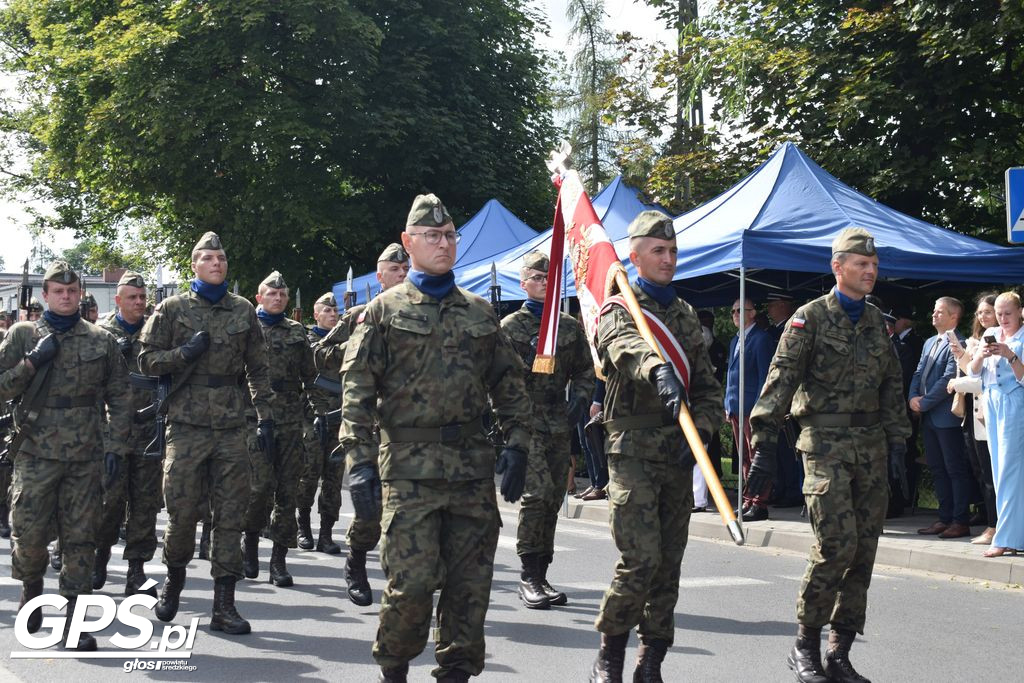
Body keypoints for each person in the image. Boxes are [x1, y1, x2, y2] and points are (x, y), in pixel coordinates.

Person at [339, 194, 531, 682]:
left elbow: (509, 384)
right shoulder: (383, 310)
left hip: (470, 472)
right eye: (432, 236)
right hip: (408, 472)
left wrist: (517, 443)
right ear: (409, 243)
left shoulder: (481, 313)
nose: (443, 244)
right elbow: (357, 391)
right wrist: (359, 463)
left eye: (449, 236)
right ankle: (395, 670)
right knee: (411, 586)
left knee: (471, 589)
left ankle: (456, 674)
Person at [748, 228, 910, 683]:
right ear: (838, 267)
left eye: (874, 265)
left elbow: (891, 385)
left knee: (864, 551)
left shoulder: (878, 321)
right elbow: (780, 379)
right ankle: (805, 645)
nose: (871, 271)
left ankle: (839, 652)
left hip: (872, 446)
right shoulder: (809, 318)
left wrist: (898, 440)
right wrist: (762, 443)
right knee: (835, 546)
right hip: (823, 445)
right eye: (862, 264)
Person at [590, 211, 722, 682]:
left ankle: (652, 660)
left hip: (677, 452)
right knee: (640, 560)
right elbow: (625, 347)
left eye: (672, 251)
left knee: (668, 564)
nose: (668, 259)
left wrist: (702, 432)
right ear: (635, 256)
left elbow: (707, 389)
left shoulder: (686, 315)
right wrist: (657, 368)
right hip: (633, 452)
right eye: (657, 251)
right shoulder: (619, 308)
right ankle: (610, 655)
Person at [138, 231, 273, 635]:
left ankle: (224, 606)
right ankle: (173, 583)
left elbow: (257, 368)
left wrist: (264, 417)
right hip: (187, 426)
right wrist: (184, 354)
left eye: (221, 258)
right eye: (209, 258)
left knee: (231, 515)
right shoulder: (171, 308)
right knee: (181, 513)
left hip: (232, 427)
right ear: (195, 264)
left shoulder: (244, 310)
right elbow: (146, 360)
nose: (217, 264)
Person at [0, 260, 130, 651]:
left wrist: (115, 446)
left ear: (81, 295)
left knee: (80, 539)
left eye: (72, 291)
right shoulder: (23, 335)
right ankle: (32, 590)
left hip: (85, 455)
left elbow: (120, 397)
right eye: (58, 291)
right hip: (35, 452)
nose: (66, 296)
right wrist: (31, 362)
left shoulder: (100, 339)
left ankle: (74, 620)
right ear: (45, 295)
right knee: (30, 535)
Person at [501, 250, 594, 610]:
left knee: (554, 498)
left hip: (559, 421)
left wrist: (581, 399)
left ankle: (541, 572)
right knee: (536, 496)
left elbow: (586, 370)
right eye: (536, 278)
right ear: (523, 283)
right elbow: (499, 379)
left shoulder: (568, 326)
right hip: (525, 422)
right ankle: (527, 575)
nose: (543, 284)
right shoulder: (511, 327)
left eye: (549, 278)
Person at [317, 242, 409, 606]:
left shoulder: (421, 312)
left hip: (406, 428)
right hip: (368, 426)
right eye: (394, 269)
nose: (401, 274)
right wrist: (356, 349)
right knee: (370, 510)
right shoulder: (360, 314)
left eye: (405, 269)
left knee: (405, 510)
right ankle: (356, 560)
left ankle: (403, 584)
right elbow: (319, 354)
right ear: (380, 272)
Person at [241, 271, 323, 587]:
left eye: (282, 295)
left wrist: (316, 414)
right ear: (259, 298)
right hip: (255, 418)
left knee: (287, 491)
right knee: (259, 488)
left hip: (290, 419)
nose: (277, 299)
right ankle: (249, 544)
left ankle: (278, 561)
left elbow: (311, 376)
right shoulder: (247, 330)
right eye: (271, 294)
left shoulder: (297, 332)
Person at [93, 271, 163, 596]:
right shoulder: (101, 333)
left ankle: (137, 570)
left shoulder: (158, 330)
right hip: (114, 430)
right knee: (109, 500)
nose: (138, 302)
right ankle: (99, 558)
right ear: (118, 300)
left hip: (149, 428)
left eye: (142, 297)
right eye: (132, 297)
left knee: (145, 503)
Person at [968, 291, 1024, 558]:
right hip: (991, 402)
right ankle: (1012, 536)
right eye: (999, 314)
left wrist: (1009, 354)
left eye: (1008, 314)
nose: (1003, 319)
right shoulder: (991, 332)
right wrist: (982, 352)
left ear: (1020, 312)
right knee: (998, 467)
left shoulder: (1023, 336)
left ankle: (1004, 537)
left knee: (1010, 472)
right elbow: (974, 371)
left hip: (1014, 403)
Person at [911, 297, 972, 539]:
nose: (933, 315)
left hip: (947, 417)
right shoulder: (928, 343)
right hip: (929, 418)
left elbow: (948, 378)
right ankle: (944, 517)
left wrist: (923, 403)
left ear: (954, 316)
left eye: (940, 312)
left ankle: (960, 520)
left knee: (954, 469)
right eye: (934, 311)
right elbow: (918, 372)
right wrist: (912, 397)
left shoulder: (959, 342)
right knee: (937, 468)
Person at [948, 292, 998, 545]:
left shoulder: (1002, 341)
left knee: (992, 475)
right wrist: (961, 354)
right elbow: (972, 371)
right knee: (980, 472)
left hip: (991, 416)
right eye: (979, 313)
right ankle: (990, 521)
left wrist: (957, 383)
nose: (983, 316)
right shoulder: (975, 340)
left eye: (987, 312)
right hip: (971, 415)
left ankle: (995, 526)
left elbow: (986, 383)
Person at [296, 291, 341, 553]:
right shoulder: (307, 339)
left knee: (333, 478)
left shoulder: (345, 340)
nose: (333, 314)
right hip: (311, 417)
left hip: (339, 417)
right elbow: (317, 356)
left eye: (335, 311)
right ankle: (303, 526)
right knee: (309, 474)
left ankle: (326, 532)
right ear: (316, 314)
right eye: (327, 310)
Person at [725, 297, 775, 522]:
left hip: (752, 408)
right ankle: (748, 498)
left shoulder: (761, 339)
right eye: (733, 311)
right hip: (736, 407)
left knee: (757, 457)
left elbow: (765, 376)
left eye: (740, 310)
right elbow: (731, 375)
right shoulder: (735, 340)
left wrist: (758, 408)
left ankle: (759, 503)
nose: (736, 315)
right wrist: (728, 404)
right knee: (744, 457)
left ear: (753, 313)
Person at [764, 293, 804, 508]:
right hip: (776, 399)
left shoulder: (791, 331)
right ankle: (780, 488)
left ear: (783, 305)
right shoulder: (772, 332)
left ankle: (792, 490)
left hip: (787, 401)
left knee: (789, 449)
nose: (769, 310)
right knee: (778, 450)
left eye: (772, 305)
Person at [887, 302, 923, 517]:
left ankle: (901, 500)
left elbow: (905, 379)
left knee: (902, 457)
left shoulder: (905, 347)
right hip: (890, 413)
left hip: (901, 411)